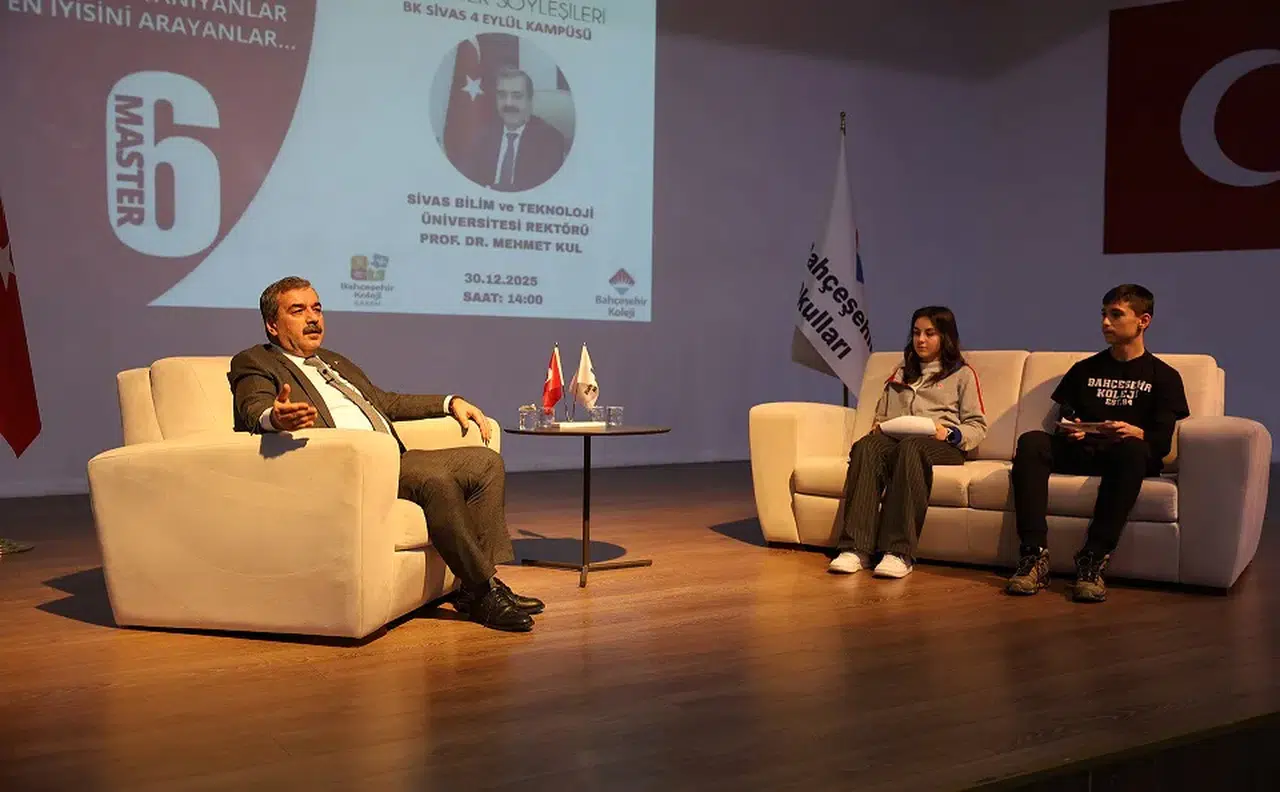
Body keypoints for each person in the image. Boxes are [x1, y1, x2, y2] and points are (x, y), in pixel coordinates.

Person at [228, 276, 543, 633]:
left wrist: (448, 402)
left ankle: (479, 585)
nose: (313, 318)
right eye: (298, 311)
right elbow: (254, 409)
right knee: (435, 480)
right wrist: (276, 418)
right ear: (272, 324)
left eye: (316, 308)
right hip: (352, 467)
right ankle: (484, 594)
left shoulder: (332, 361)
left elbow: (385, 401)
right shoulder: (254, 361)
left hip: (393, 456)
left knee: (485, 462)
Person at [1007, 284, 1189, 603]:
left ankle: (1092, 558)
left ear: (1143, 321)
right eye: (1104, 314)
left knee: (1132, 450)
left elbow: (1161, 443)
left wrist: (1135, 432)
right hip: (1084, 449)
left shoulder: (1164, 376)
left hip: (1126, 457)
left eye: (1116, 315)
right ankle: (1033, 554)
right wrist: (1071, 429)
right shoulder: (1085, 370)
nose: (1105, 322)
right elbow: (1065, 417)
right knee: (1032, 441)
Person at [829, 306, 988, 578]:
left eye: (929, 333)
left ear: (945, 337)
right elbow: (882, 415)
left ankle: (898, 552)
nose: (921, 340)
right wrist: (879, 427)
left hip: (942, 444)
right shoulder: (900, 373)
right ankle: (856, 548)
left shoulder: (962, 374)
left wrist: (950, 434)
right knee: (866, 446)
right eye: (916, 333)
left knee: (911, 448)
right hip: (897, 438)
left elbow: (977, 426)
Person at [459, 66, 567, 192]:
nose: (508, 103)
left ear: (530, 101)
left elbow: (538, 191)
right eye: (502, 95)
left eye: (517, 96)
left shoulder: (550, 140)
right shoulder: (482, 136)